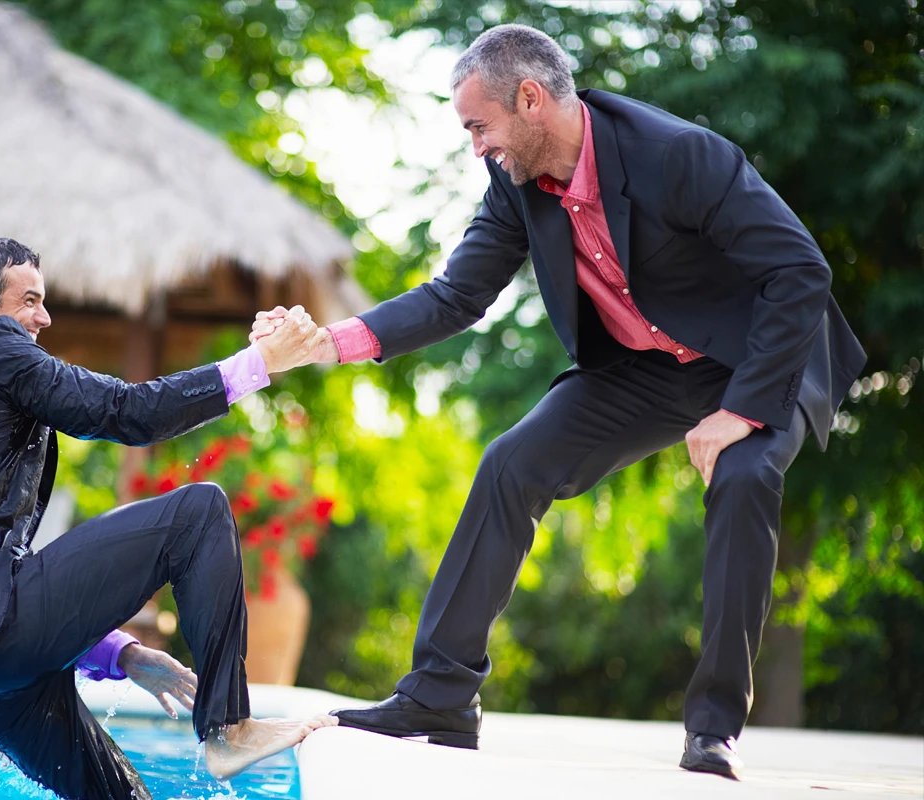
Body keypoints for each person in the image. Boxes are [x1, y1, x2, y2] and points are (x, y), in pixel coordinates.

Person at [252, 24, 865, 781]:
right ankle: (442, 697)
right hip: (645, 366)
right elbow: (456, 295)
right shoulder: (514, 184)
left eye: (479, 125)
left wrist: (740, 411)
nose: (475, 145)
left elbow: (800, 271)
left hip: (761, 357)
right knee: (515, 461)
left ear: (531, 99)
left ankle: (714, 729)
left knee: (742, 479)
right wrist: (329, 342)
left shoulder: (678, 154)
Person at [0, 235, 336, 800]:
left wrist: (118, 653)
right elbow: (125, 411)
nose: (44, 316)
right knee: (199, 512)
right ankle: (227, 728)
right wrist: (260, 363)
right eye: (29, 300)